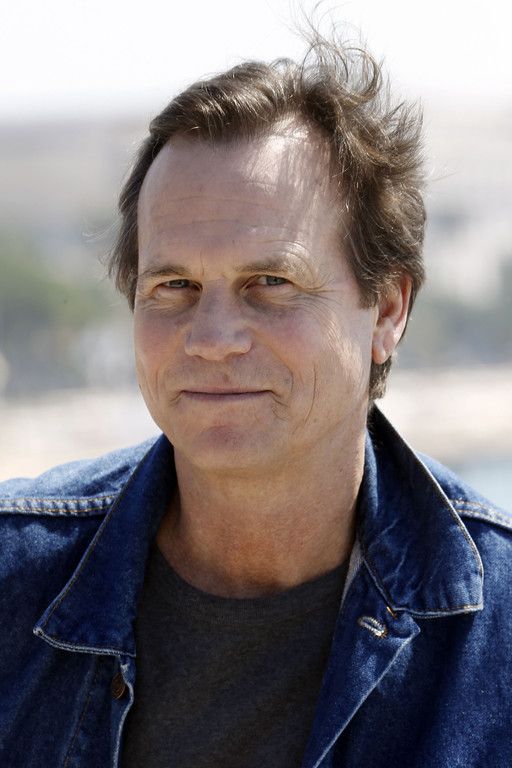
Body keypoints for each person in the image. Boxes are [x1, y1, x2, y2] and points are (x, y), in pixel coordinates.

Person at [1, 28, 511, 768]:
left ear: (387, 309)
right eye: (175, 285)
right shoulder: (13, 580)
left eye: (270, 283)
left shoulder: (495, 630)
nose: (212, 338)